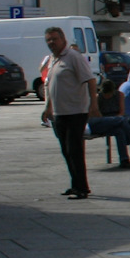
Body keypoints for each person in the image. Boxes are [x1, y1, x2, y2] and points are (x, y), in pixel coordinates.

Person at [41, 26, 99, 197]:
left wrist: (93, 105)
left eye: (54, 39)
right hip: (59, 113)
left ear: (63, 39)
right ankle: (75, 184)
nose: (51, 43)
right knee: (66, 151)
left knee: (75, 150)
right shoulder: (52, 59)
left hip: (75, 111)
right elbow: (50, 86)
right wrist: (48, 107)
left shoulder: (73, 57)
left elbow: (90, 80)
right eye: (48, 40)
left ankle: (82, 188)